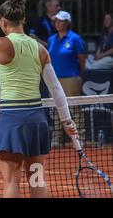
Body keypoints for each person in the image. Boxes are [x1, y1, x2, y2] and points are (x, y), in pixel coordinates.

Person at [0, 0, 77, 198]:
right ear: (23, 20)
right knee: (37, 180)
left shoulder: (0, 43)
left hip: (13, 119)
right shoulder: (41, 48)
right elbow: (56, 89)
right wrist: (67, 120)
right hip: (37, 121)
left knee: (11, 181)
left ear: (2, 21)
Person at [47, 11, 86, 147]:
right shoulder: (51, 39)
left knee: (74, 108)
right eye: (56, 21)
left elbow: (82, 60)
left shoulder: (75, 38)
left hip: (71, 78)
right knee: (55, 109)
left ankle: (79, 137)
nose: (57, 23)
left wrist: (77, 74)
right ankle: (57, 139)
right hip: (54, 80)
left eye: (61, 21)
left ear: (67, 23)